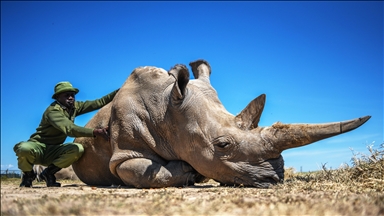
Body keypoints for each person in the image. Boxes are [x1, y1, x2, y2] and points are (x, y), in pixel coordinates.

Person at [13, 81, 119, 187]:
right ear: (58, 97)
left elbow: (99, 102)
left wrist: (120, 91)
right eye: (66, 95)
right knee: (24, 148)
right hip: (38, 147)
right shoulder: (52, 112)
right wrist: (95, 132)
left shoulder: (74, 108)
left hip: (54, 149)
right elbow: (70, 129)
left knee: (77, 149)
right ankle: (28, 175)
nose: (71, 98)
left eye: (72, 95)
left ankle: (49, 173)